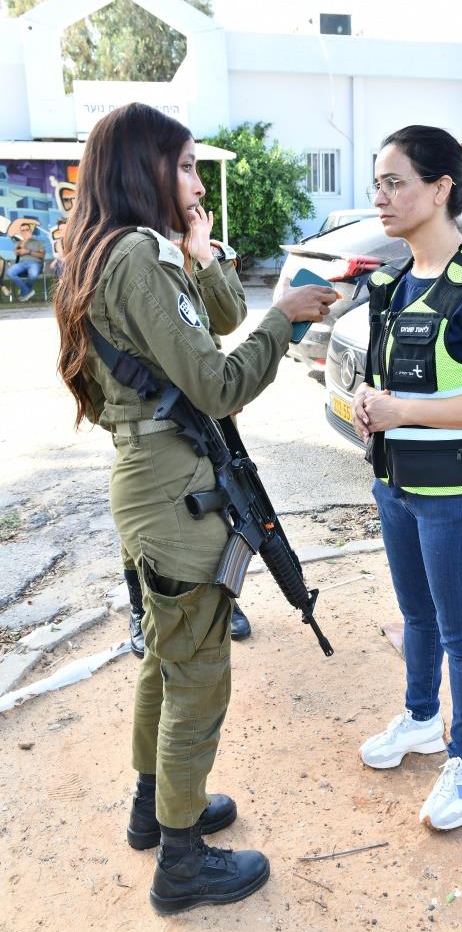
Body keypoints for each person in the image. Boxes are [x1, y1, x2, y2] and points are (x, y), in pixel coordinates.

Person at [54, 102, 336, 914]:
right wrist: (284, 320)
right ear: (143, 167)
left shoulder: (113, 250)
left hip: (151, 487)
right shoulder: (137, 255)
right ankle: (181, 863)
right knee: (197, 676)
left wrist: (201, 245)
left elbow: (212, 317)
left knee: (166, 662)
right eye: (180, 166)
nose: (192, 179)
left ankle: (155, 810)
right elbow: (215, 381)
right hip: (174, 496)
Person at [353, 125, 462, 832]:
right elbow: (385, 378)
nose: (382, 197)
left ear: (440, 188)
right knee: (416, 618)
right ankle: (421, 718)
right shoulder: (391, 283)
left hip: (458, 498)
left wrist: (402, 409)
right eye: (378, 183)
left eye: (396, 182)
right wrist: (371, 403)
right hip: (396, 486)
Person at [123, 237, 252, 657]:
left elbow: (231, 317)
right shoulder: (141, 256)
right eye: (186, 174)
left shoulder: (203, 251)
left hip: (209, 401)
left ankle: (222, 598)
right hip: (163, 411)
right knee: (147, 523)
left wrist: (206, 258)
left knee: (226, 494)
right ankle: (139, 607)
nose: (197, 193)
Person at [7, 220, 45, 300]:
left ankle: (24, 291)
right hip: (21, 264)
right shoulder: (19, 243)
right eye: (23, 230)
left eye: (27, 230)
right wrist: (24, 241)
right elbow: (16, 253)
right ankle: (27, 291)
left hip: (35, 263)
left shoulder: (38, 242)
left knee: (33, 274)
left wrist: (28, 251)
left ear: (30, 231)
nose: (25, 232)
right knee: (10, 272)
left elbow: (42, 255)